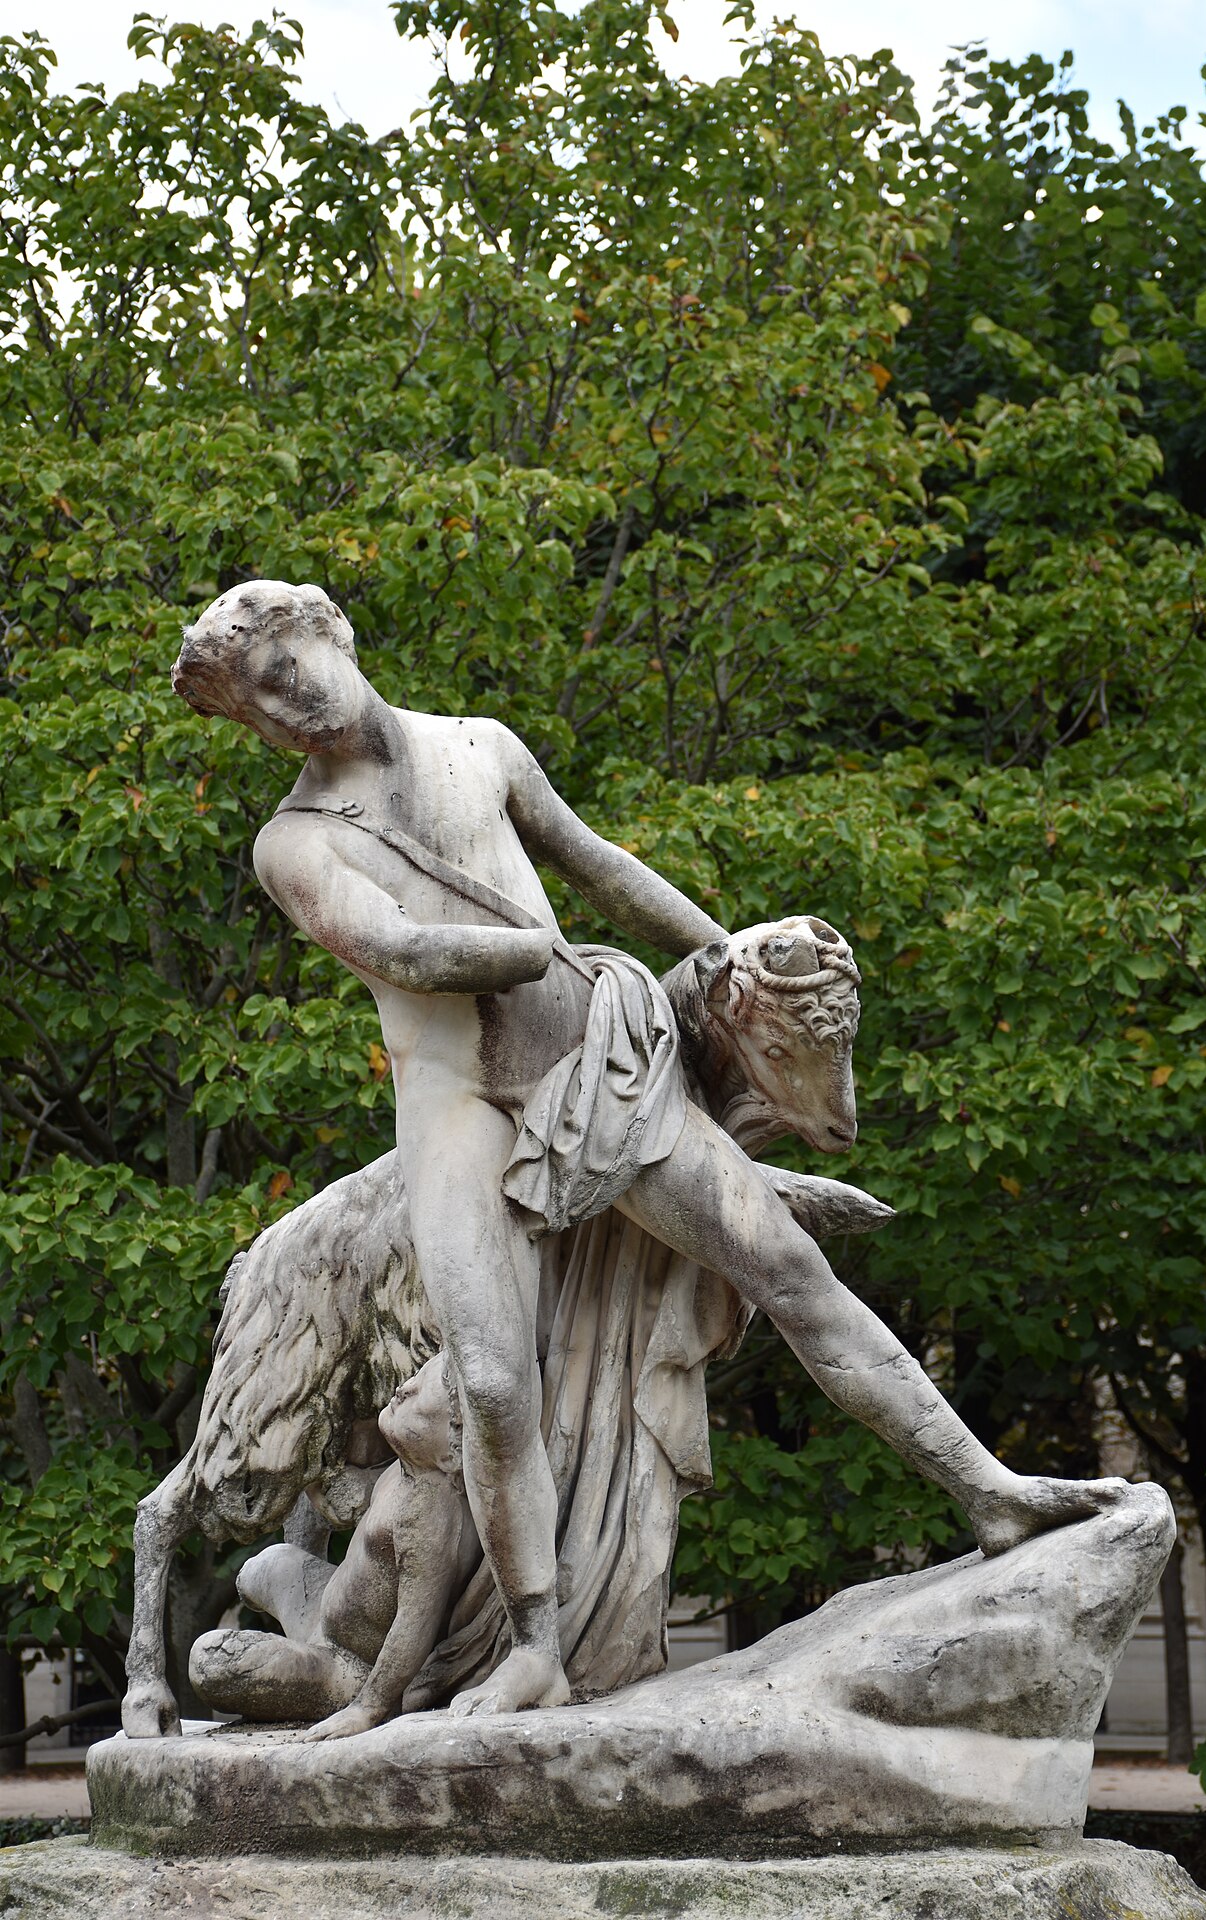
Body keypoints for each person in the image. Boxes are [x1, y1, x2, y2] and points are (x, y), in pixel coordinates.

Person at [173, 580, 1126, 1717]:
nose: (284, 716)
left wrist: (724, 956)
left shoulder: (480, 749)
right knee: (488, 1378)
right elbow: (398, 950)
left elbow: (602, 866)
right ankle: (534, 1644)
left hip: (592, 1066)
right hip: (456, 1108)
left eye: (281, 677)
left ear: (330, 636)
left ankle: (989, 1492)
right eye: (255, 712)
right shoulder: (291, 841)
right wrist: (531, 949)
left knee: (786, 1268)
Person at [189, 1356, 478, 1735]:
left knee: (210, 1660)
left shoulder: (431, 1512)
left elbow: (415, 1624)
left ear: (449, 1452)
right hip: (326, 1606)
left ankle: (304, 1673)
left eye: (421, 1394)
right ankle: (291, 1648)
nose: (404, 1388)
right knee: (259, 1568)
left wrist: (368, 1707)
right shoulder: (409, 1467)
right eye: (416, 1378)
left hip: (348, 1663)